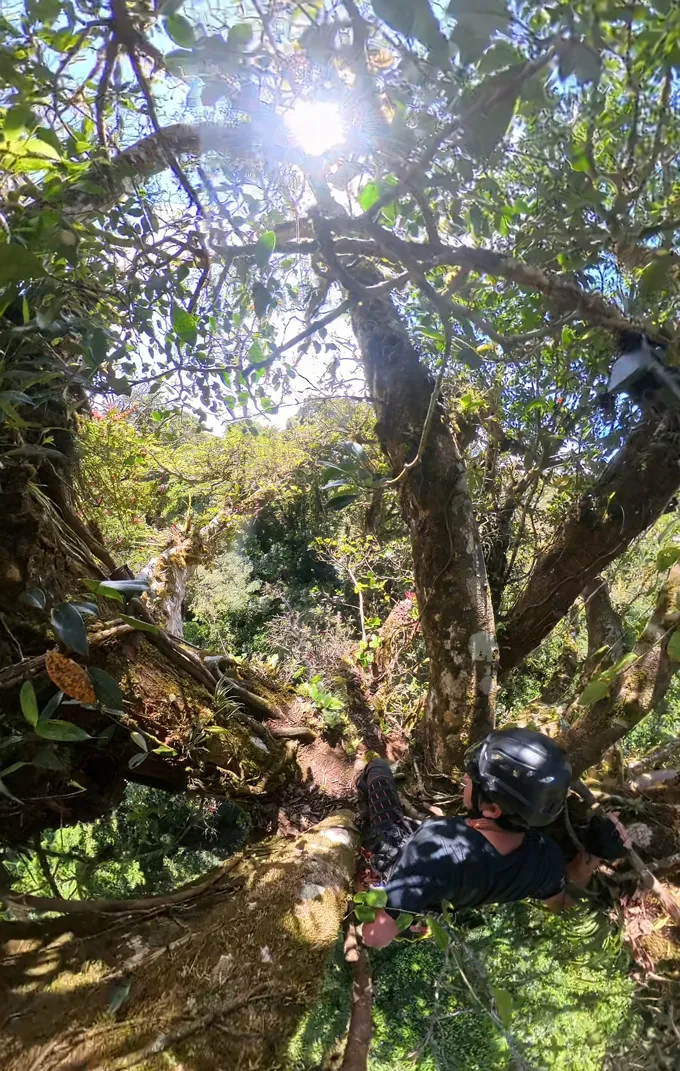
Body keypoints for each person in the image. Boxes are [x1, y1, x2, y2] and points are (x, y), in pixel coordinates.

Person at [356, 727, 630, 949]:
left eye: (473, 778)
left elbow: (373, 937)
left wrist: (378, 907)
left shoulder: (437, 849)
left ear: (493, 809)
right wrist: (593, 855)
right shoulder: (543, 860)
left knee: (378, 769)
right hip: (429, 911)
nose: (465, 777)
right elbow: (561, 903)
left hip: (392, 868)